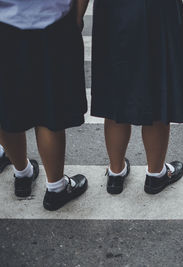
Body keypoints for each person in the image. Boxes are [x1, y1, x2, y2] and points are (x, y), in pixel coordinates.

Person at [0, 0, 90, 211]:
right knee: (50, 109)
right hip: (52, 21)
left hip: (4, 24)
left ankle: (22, 173)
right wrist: (77, 16)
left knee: (6, 107)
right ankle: (56, 188)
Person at [91, 0, 183, 195]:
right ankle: (156, 174)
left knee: (115, 89)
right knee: (156, 87)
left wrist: (76, 17)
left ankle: (115, 173)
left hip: (113, 8)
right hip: (157, 8)